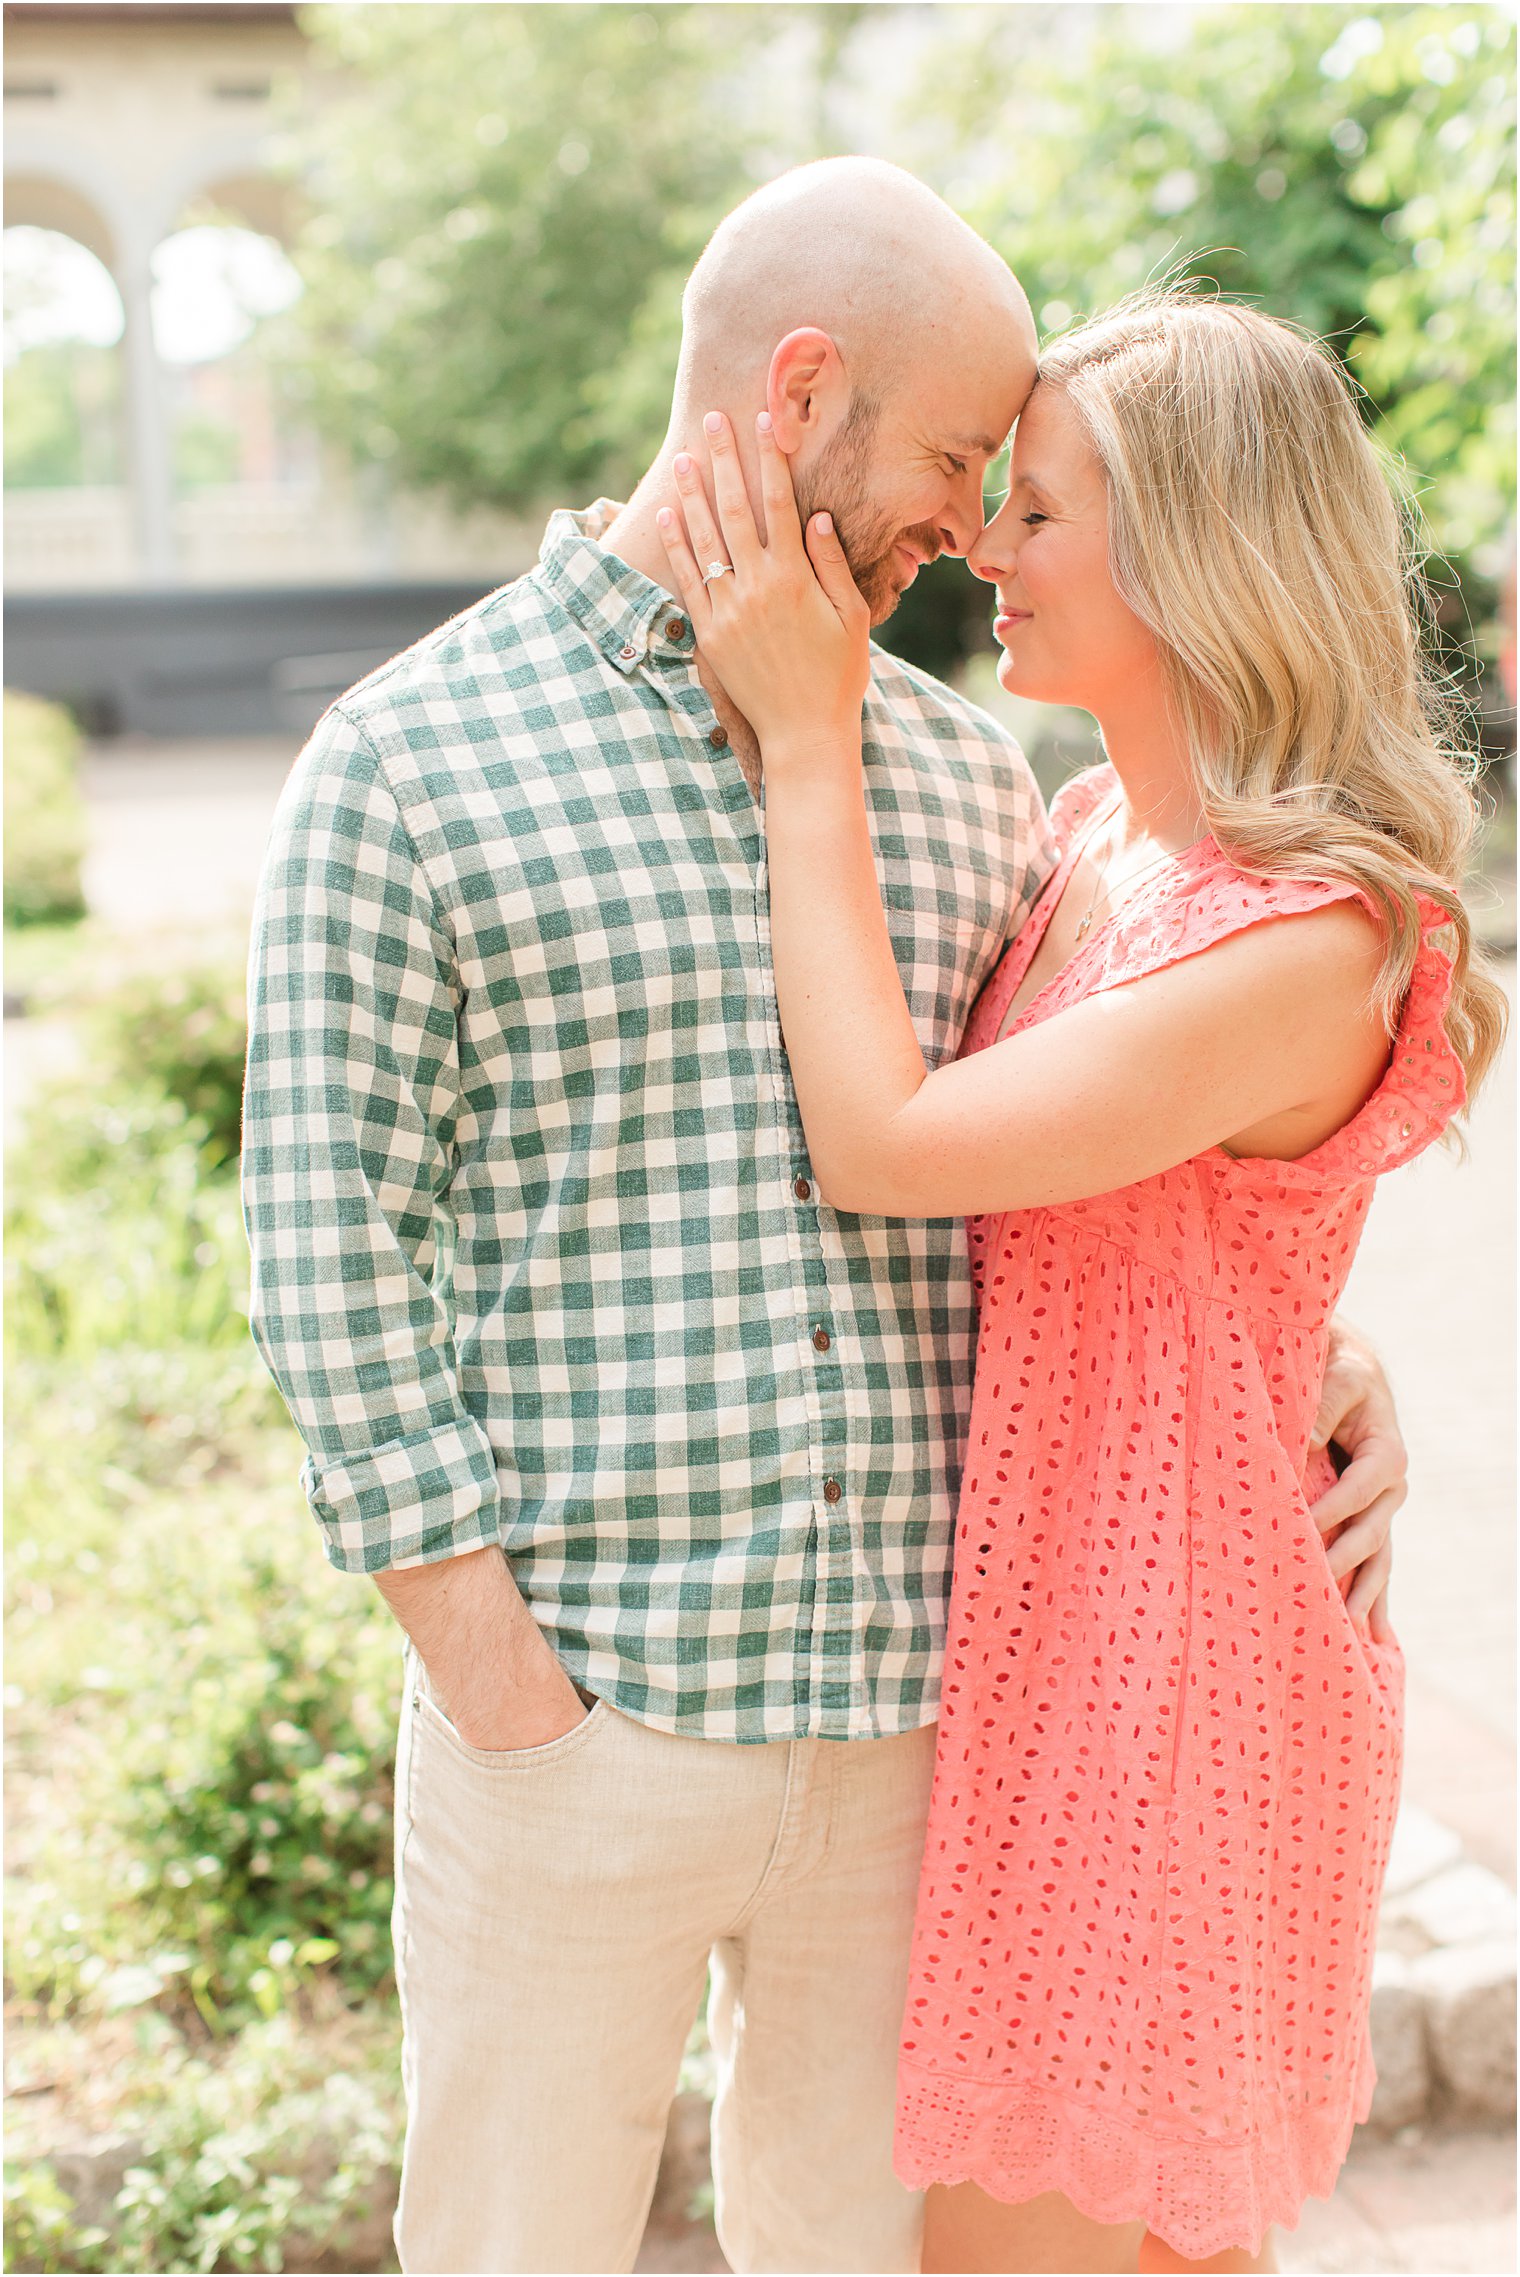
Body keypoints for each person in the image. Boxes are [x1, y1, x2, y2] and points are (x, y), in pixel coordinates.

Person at [241, 163, 1410, 2277]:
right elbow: (326, 1258)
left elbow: (1135, 1162)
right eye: (964, 461)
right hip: (580, 1727)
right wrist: (503, 1680)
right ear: (798, 395)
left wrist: (1301, 1366)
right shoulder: (405, 760)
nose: (970, 531)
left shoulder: (975, 785)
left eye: (1018, 493)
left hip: (932, 1733)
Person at [654, 287, 1507, 2274]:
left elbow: (886, 1145)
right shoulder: (1093, 830)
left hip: (1165, 1678)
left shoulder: (1310, 933)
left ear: (1196, 548)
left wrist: (806, 740)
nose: (979, 544)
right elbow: (1165, 1234)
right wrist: (1318, 1342)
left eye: (1034, 510)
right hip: (1066, 1644)